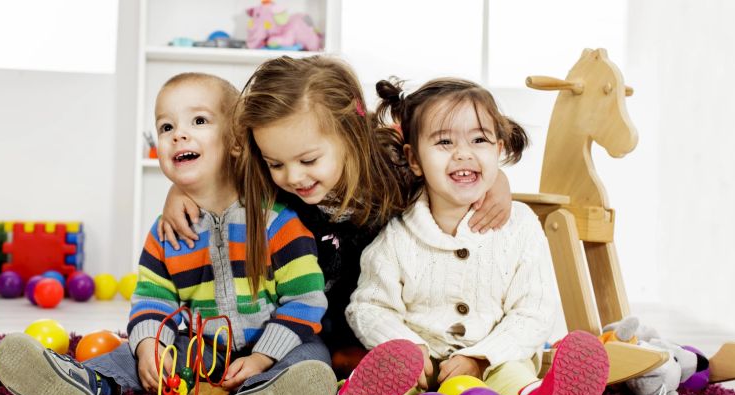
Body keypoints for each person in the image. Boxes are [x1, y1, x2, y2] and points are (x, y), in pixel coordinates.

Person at [0, 73, 337, 395]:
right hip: (201, 351)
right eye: (166, 126)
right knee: (130, 353)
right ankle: (80, 382)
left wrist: (262, 356)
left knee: (313, 358)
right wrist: (149, 348)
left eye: (199, 121)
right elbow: (151, 300)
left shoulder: (278, 222)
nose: (179, 134)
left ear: (236, 140)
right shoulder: (165, 233)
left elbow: (305, 299)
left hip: (275, 344)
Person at [158, 56, 514, 378]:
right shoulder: (268, 180)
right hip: (309, 323)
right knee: (324, 362)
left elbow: (451, 157)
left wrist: (497, 179)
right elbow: (218, 176)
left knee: (362, 359)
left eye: (309, 161)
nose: (293, 176)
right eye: (276, 163)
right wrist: (180, 192)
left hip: (389, 314)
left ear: (351, 135)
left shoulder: (393, 164)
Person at [323, 77, 609, 395]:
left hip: (495, 358)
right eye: (444, 142)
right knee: (397, 388)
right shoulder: (398, 234)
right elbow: (369, 306)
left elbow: (533, 311)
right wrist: (410, 349)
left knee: (512, 383)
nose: (463, 153)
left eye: (479, 140)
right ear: (414, 159)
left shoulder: (520, 227)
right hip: (420, 365)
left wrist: (479, 356)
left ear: (499, 149)